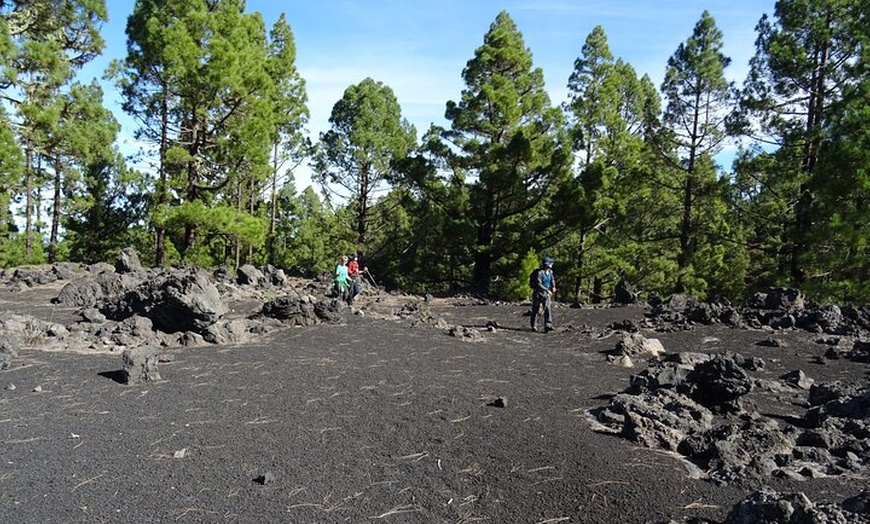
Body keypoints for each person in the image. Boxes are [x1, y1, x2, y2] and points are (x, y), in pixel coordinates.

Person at [530, 256, 556, 332]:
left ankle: (548, 325)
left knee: (547, 308)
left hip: (546, 294)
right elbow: (538, 284)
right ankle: (534, 326)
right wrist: (547, 290)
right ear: (547, 264)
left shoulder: (550, 272)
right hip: (538, 293)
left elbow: (552, 280)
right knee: (535, 309)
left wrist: (553, 287)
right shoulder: (539, 272)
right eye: (551, 263)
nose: (552, 264)